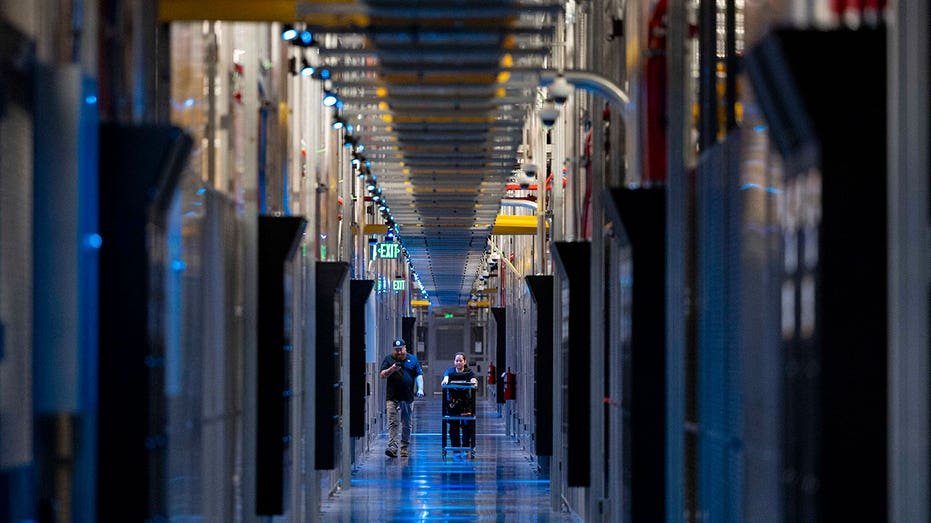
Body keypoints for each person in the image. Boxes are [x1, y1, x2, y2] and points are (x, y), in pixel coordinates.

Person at [379, 338, 424, 458]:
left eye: (401, 350)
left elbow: (419, 375)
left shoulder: (412, 359)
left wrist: (420, 388)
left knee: (406, 423)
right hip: (392, 396)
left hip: (407, 397)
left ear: (405, 348)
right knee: (393, 422)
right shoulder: (389, 359)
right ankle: (392, 447)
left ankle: (404, 446)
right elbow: (382, 375)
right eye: (396, 350)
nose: (399, 352)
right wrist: (391, 369)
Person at [442, 352, 478, 458]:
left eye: (460, 360)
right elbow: (446, 378)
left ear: (464, 362)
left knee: (467, 426)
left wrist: (474, 382)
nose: (458, 362)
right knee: (453, 427)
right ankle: (456, 450)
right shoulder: (450, 371)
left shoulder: (469, 372)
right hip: (453, 404)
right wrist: (445, 381)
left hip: (466, 404)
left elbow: (473, 379)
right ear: (454, 362)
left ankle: (466, 448)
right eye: (456, 360)